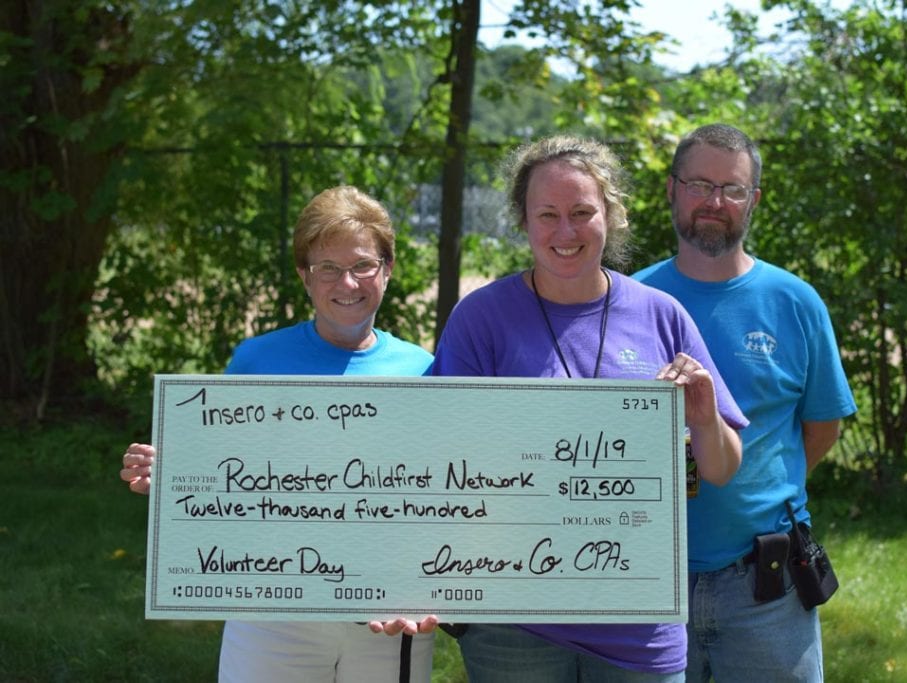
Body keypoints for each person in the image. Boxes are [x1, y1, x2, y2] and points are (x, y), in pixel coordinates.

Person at [386, 135, 748, 681]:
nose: (565, 232)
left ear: (612, 215)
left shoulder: (660, 315)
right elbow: (438, 464)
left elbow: (721, 467)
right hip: (513, 623)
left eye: (583, 212)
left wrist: (701, 415)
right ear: (524, 221)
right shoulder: (481, 318)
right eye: (547, 214)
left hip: (638, 619)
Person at [119, 185, 436, 683]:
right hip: (271, 606)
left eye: (363, 265)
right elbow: (219, 472)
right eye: (327, 267)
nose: (346, 282)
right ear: (304, 276)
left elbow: (445, 492)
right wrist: (170, 474)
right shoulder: (257, 361)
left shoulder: (425, 371)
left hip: (387, 612)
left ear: (388, 270)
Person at [633, 123, 858, 682]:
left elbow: (821, 428)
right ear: (671, 189)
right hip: (646, 576)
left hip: (767, 584)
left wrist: (756, 492)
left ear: (753, 200)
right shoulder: (629, 301)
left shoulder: (796, 302)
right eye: (699, 184)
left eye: (732, 189)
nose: (714, 202)